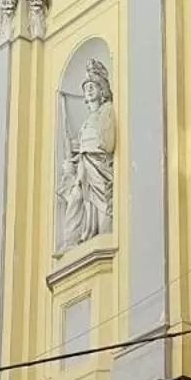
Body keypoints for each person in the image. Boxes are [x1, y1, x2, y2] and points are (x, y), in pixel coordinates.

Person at [58, 61, 116, 252]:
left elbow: (107, 141)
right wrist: (72, 163)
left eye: (93, 86)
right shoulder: (85, 123)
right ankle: (71, 242)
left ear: (102, 90)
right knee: (77, 197)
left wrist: (88, 148)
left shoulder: (107, 110)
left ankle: (105, 236)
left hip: (100, 167)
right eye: (86, 87)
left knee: (104, 204)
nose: (89, 90)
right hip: (85, 168)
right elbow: (81, 145)